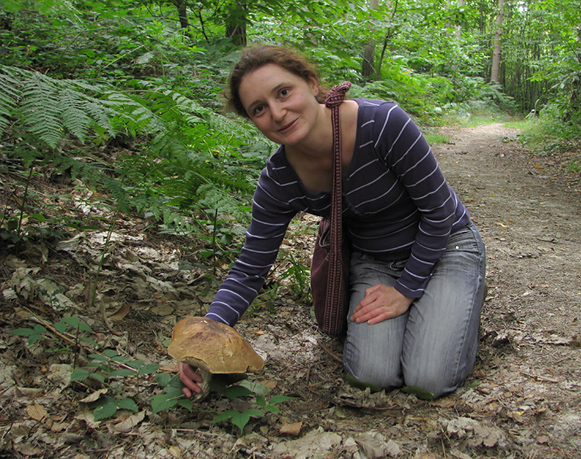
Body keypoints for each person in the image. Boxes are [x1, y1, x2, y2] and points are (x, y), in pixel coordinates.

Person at [178, 45, 486, 400]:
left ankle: (454, 295)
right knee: (372, 375)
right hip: (375, 262)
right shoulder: (279, 180)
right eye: (259, 109)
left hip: (447, 244)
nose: (277, 113)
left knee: (428, 379)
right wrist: (203, 339)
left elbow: (439, 212)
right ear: (252, 121)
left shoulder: (383, 123)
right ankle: (431, 309)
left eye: (283, 92)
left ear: (311, 84)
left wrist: (405, 291)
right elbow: (250, 268)